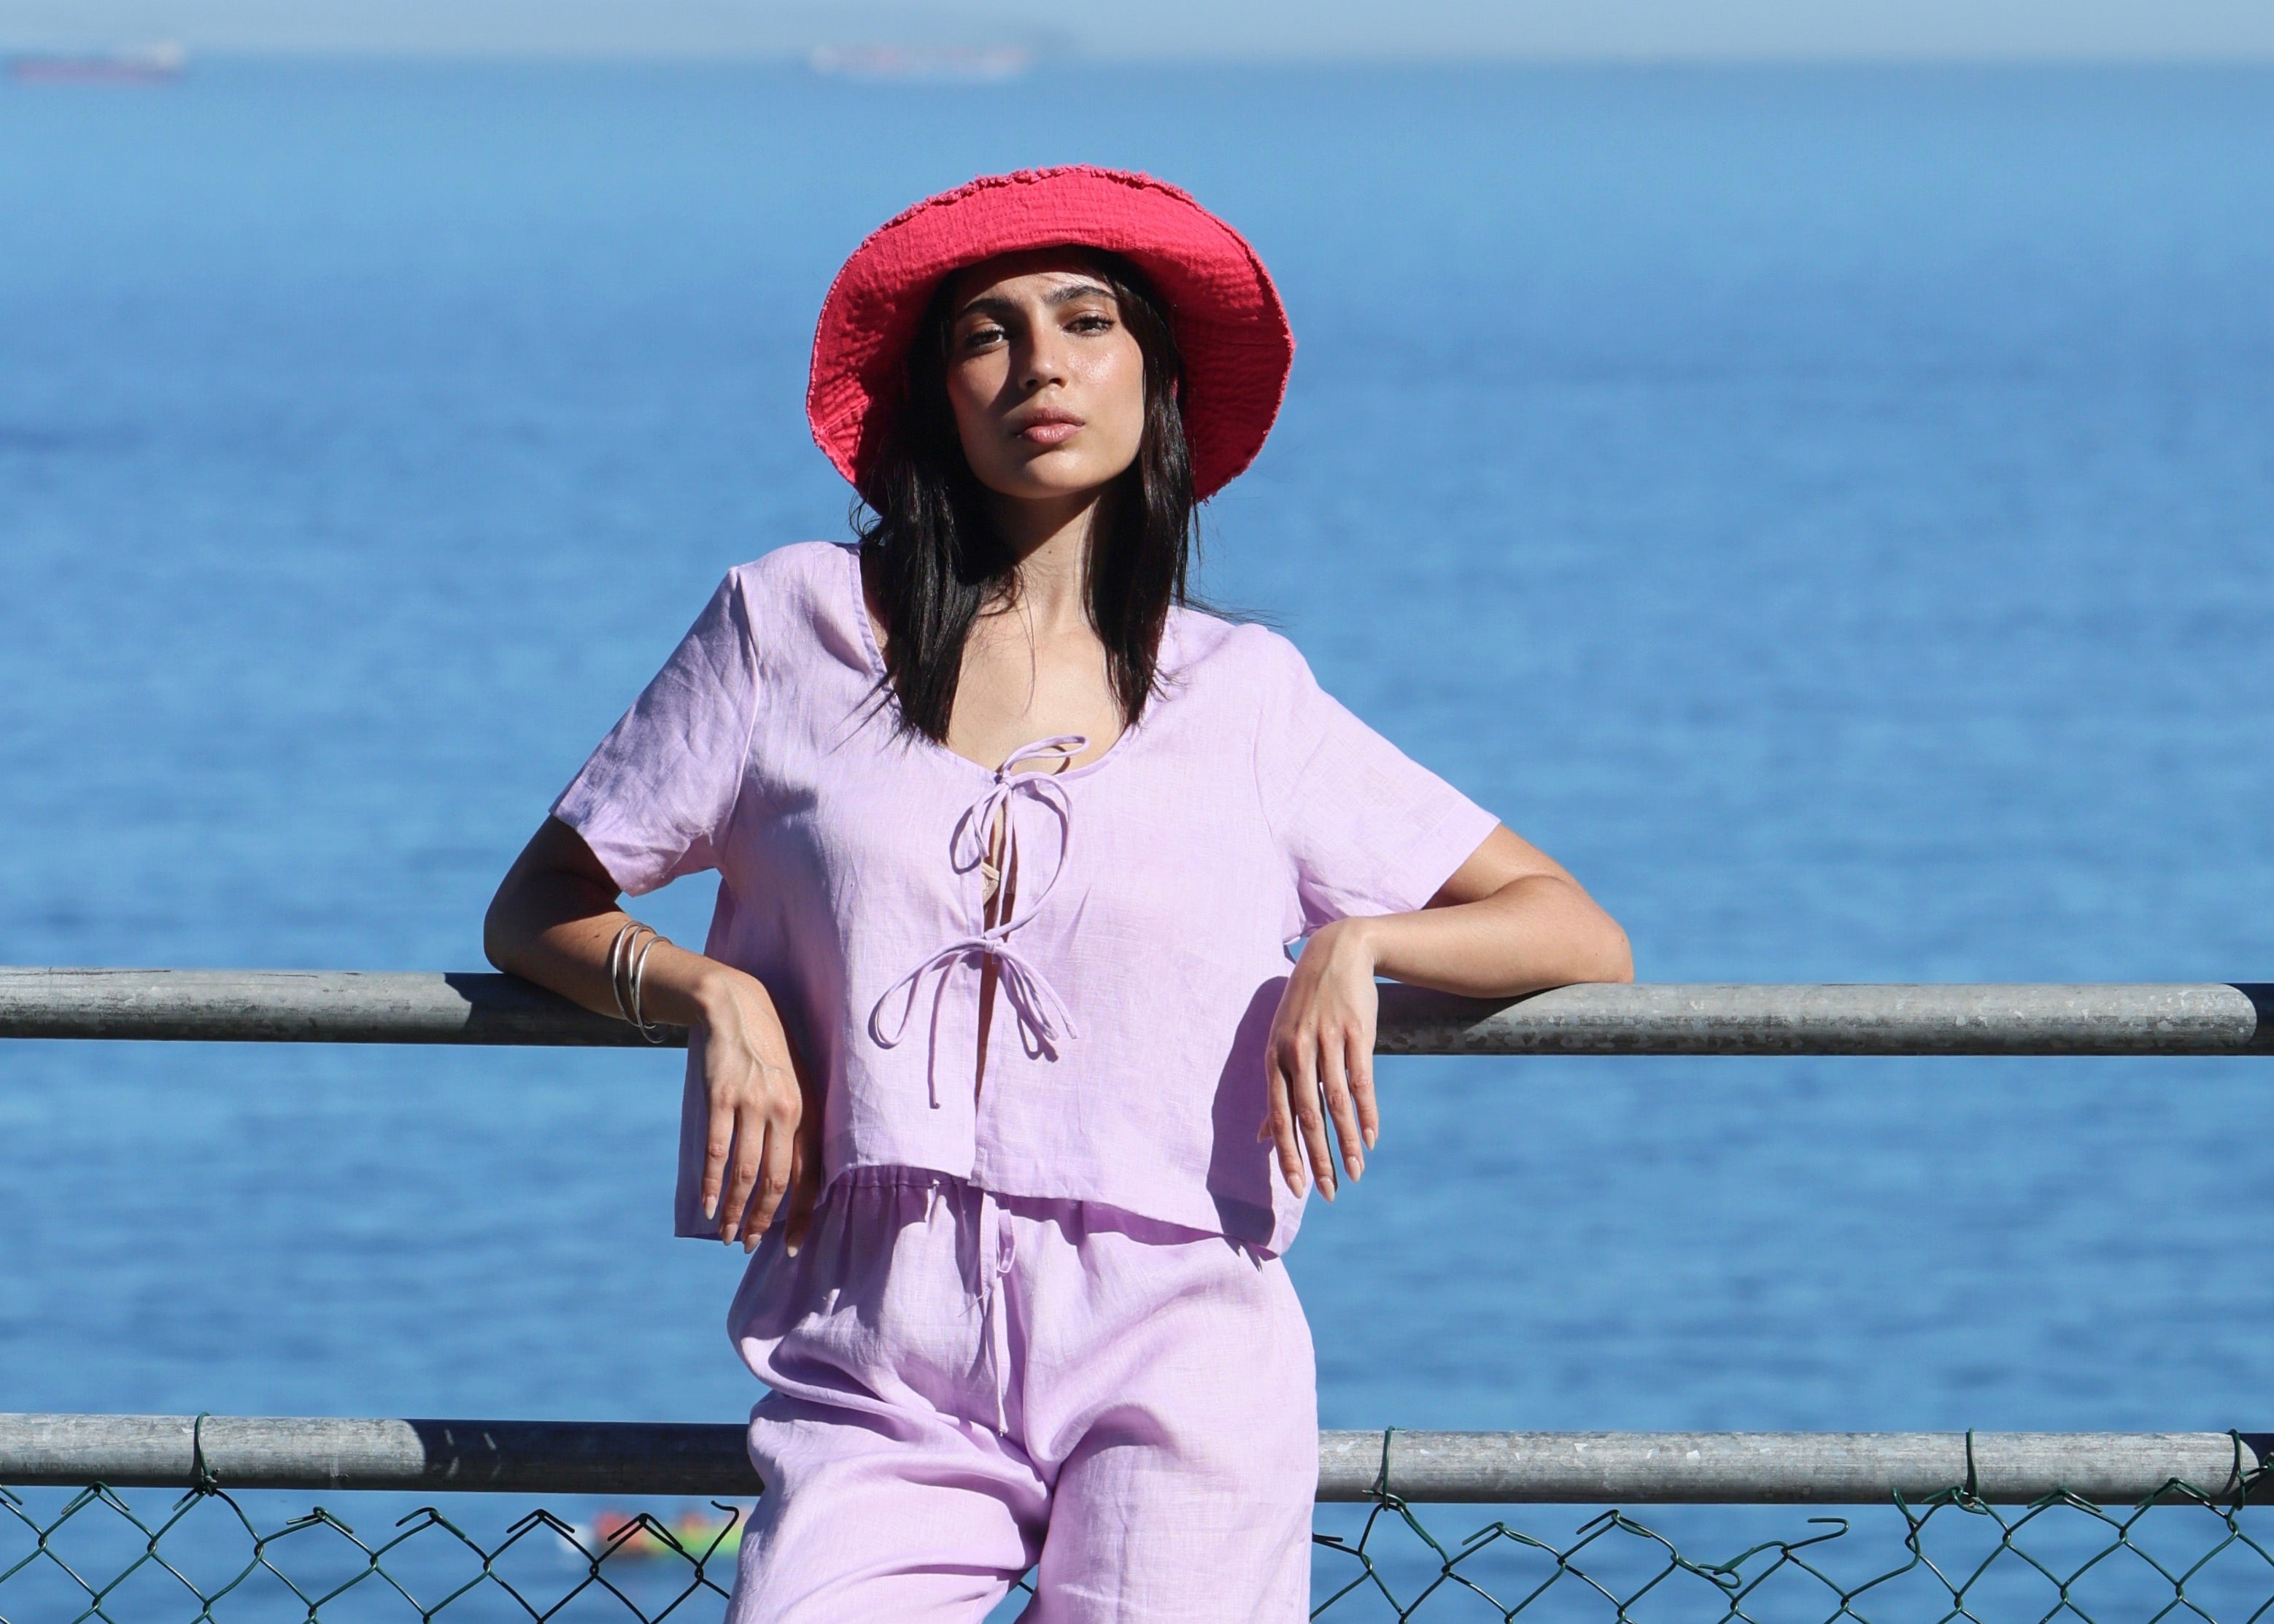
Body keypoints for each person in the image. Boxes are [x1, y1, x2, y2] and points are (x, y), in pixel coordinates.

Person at [484, 165, 1631, 1623]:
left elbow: (1572, 928)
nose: (1040, 365)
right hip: (873, 1334)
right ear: (939, 396)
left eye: (1086, 323)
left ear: (1155, 380)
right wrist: (706, 992)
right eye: (988, 333)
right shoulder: (785, 626)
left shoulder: (1244, 694)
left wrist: (1358, 946)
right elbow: (538, 903)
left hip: (1181, 1329)